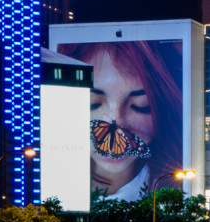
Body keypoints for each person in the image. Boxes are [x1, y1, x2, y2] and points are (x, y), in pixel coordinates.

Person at [53, 39, 184, 201]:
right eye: (92, 103)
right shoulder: (59, 187)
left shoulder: (172, 194)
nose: (116, 119)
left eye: (140, 105)